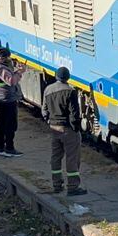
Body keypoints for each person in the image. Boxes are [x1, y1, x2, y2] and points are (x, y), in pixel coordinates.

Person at [43, 66, 86, 195]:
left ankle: (57, 185)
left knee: (56, 157)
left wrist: (50, 121)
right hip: (68, 130)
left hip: (54, 128)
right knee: (72, 158)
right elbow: (74, 113)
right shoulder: (70, 91)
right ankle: (73, 187)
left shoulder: (48, 90)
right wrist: (76, 128)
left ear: (56, 76)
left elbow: (44, 110)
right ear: (67, 77)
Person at [0, 48, 23, 156]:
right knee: (10, 124)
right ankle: (9, 148)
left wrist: (15, 71)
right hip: (7, 99)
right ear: (6, 57)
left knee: (2, 123)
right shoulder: (1, 69)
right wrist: (20, 73)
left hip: (1, 98)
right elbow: (11, 81)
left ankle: (1, 147)